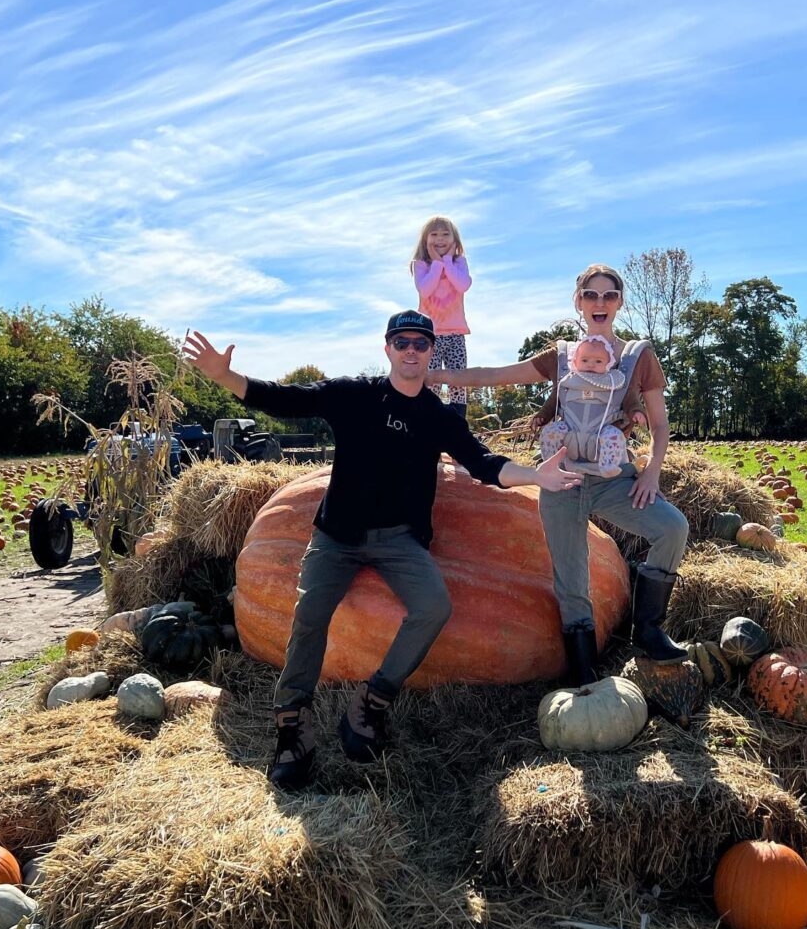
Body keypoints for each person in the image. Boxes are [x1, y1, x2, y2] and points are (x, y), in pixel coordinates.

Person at [182, 311, 582, 792]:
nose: (411, 350)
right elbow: (285, 400)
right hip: (337, 535)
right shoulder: (355, 395)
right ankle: (292, 726)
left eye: (420, 343)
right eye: (402, 342)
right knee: (310, 612)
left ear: (432, 351)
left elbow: (483, 463)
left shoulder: (436, 416)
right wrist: (225, 376)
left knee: (434, 606)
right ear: (387, 348)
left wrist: (536, 476)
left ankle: (372, 703)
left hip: (398, 540)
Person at [429, 265, 690, 684]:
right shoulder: (562, 355)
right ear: (578, 301)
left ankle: (649, 630)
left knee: (672, 527)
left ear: (620, 302)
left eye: (608, 295)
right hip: (560, 480)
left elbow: (660, 425)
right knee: (572, 579)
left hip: (613, 478)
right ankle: (584, 675)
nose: (599, 303)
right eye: (591, 295)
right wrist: (437, 375)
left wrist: (651, 474)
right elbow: (497, 377)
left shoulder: (639, 358)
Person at [537, 334, 646, 479]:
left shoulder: (614, 382)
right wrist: (542, 417)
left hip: (600, 437)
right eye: (585, 360)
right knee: (551, 431)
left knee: (615, 435)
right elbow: (553, 402)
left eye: (598, 361)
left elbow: (629, 400)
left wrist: (636, 412)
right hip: (570, 434)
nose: (591, 364)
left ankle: (609, 465)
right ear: (575, 361)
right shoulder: (567, 381)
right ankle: (550, 462)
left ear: (608, 364)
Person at [410, 216, 472, 419]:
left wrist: (447, 261)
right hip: (430, 335)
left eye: (446, 234)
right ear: (425, 240)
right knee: (430, 379)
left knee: (458, 379)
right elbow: (425, 290)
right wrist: (436, 264)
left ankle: (458, 421)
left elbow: (462, 285)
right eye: (434, 234)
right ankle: (429, 420)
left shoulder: (459, 262)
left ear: (455, 239)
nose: (440, 239)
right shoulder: (421, 265)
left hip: (455, 332)